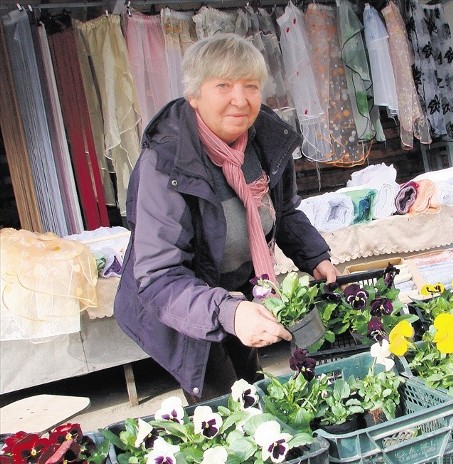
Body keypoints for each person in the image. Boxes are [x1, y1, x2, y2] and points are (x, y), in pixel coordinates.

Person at [114, 33, 339, 405]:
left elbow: (282, 211)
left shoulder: (264, 139)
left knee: (251, 384)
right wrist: (229, 313)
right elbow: (158, 277)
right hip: (181, 303)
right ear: (194, 95)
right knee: (223, 404)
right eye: (223, 86)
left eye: (250, 86)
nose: (240, 99)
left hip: (237, 289)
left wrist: (315, 256)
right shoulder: (165, 163)